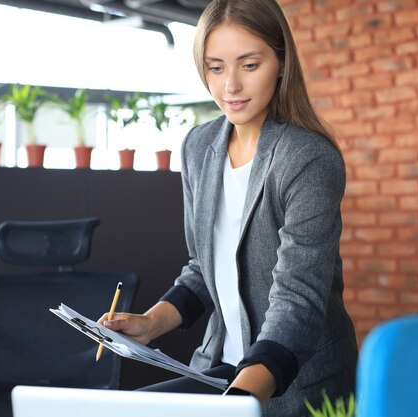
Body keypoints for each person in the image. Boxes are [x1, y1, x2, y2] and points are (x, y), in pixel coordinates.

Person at [99, 0, 358, 415]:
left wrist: (238, 403)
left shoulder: (308, 159)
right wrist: (150, 323)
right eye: (216, 67)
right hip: (220, 370)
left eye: (249, 65)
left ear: (281, 62)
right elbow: (204, 267)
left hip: (296, 381)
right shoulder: (199, 147)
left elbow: (297, 301)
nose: (230, 86)